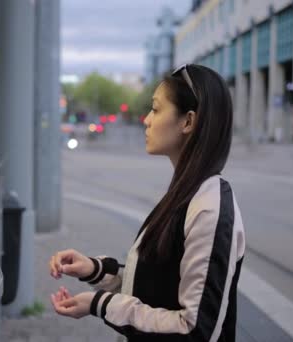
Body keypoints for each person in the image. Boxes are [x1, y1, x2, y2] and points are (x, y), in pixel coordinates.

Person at [48, 64, 246, 342]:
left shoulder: (209, 206)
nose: (146, 120)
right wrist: (94, 269)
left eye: (155, 109)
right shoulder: (186, 192)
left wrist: (100, 305)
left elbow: (196, 329)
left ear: (188, 122)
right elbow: (157, 283)